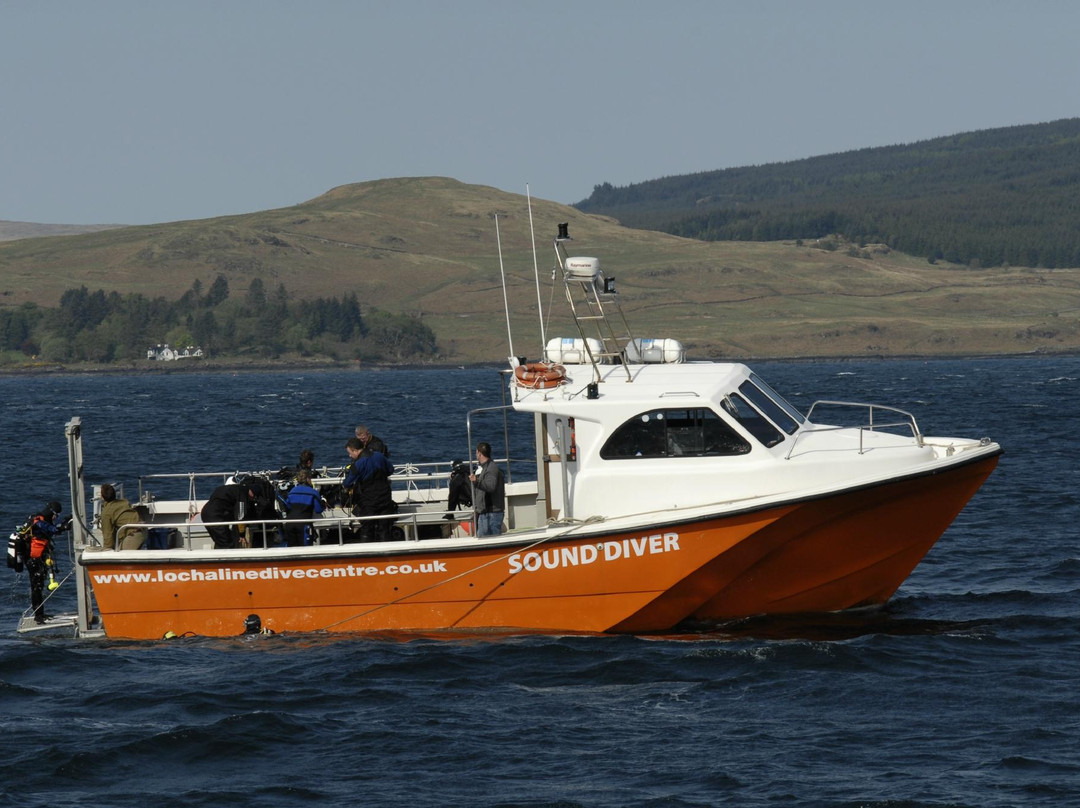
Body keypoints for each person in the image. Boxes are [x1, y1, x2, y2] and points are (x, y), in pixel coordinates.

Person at [343, 436, 397, 542]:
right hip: (385, 498)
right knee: (385, 529)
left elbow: (347, 483)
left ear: (355, 450)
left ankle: (368, 554)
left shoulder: (356, 465)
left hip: (369, 501)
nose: (350, 456)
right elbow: (391, 470)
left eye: (350, 453)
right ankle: (388, 554)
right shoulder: (379, 456)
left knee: (367, 529)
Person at [27, 501, 70, 623]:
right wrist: (63, 526)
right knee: (36, 587)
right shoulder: (39, 522)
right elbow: (51, 529)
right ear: (52, 513)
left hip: (40, 558)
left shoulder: (44, 520)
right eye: (56, 515)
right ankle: (38, 616)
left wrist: (66, 522)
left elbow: (52, 529)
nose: (56, 517)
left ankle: (40, 613)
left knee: (39, 586)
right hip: (34, 560)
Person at [201, 482, 265, 549]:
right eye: (254, 496)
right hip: (215, 516)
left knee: (219, 541)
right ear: (252, 493)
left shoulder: (235, 489)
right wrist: (242, 535)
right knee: (227, 544)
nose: (253, 498)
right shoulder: (242, 495)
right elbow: (240, 517)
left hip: (206, 512)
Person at [470, 442, 505, 537]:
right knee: (482, 539)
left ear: (479, 453)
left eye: (476, 452)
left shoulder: (491, 468)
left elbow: (491, 487)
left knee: (490, 542)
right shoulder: (485, 467)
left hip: (492, 513)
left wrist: (477, 481)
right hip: (485, 512)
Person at [99, 483, 147, 551]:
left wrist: (107, 549)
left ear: (102, 497)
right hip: (143, 529)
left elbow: (108, 535)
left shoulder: (106, 512)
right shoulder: (124, 502)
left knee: (119, 556)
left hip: (134, 534)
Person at [284, 470, 324, 546]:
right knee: (305, 549)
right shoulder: (313, 493)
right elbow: (318, 510)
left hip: (290, 523)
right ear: (308, 479)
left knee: (291, 548)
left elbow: (288, 506)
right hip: (304, 524)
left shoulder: (292, 491)